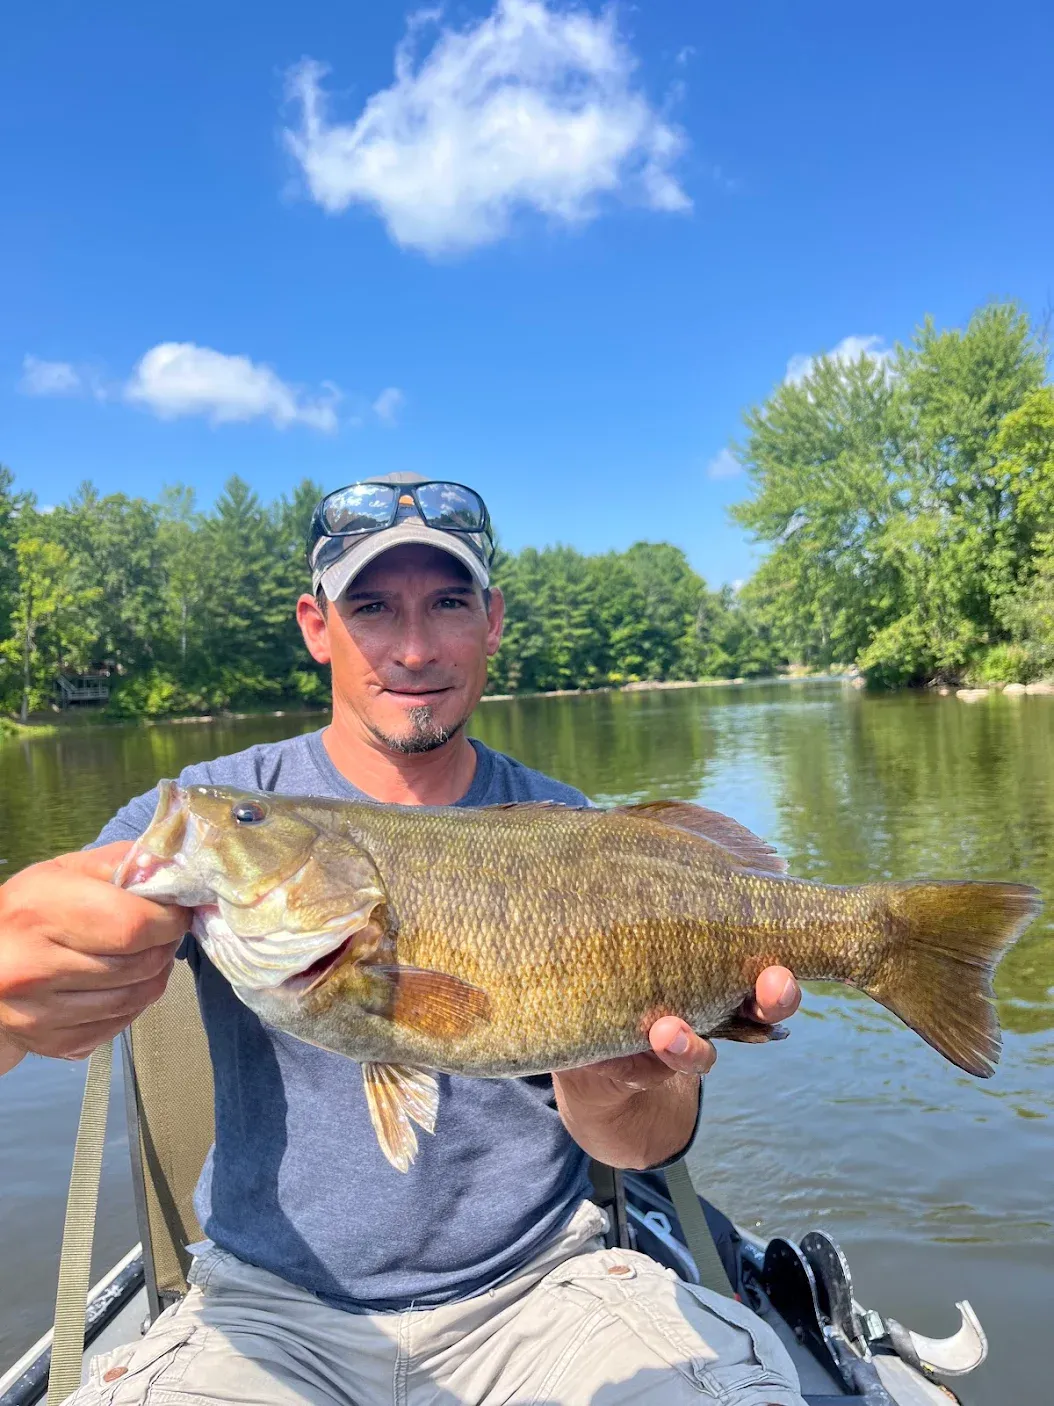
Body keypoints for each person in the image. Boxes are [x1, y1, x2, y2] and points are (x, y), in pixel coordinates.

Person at [0, 473, 807, 1406]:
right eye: (374, 608)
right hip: (268, 1313)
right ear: (316, 626)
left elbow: (639, 1147)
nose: (414, 648)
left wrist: (619, 1085)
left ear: (493, 621)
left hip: (546, 1291)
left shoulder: (576, 833)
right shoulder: (218, 810)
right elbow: (47, 943)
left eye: (449, 603)